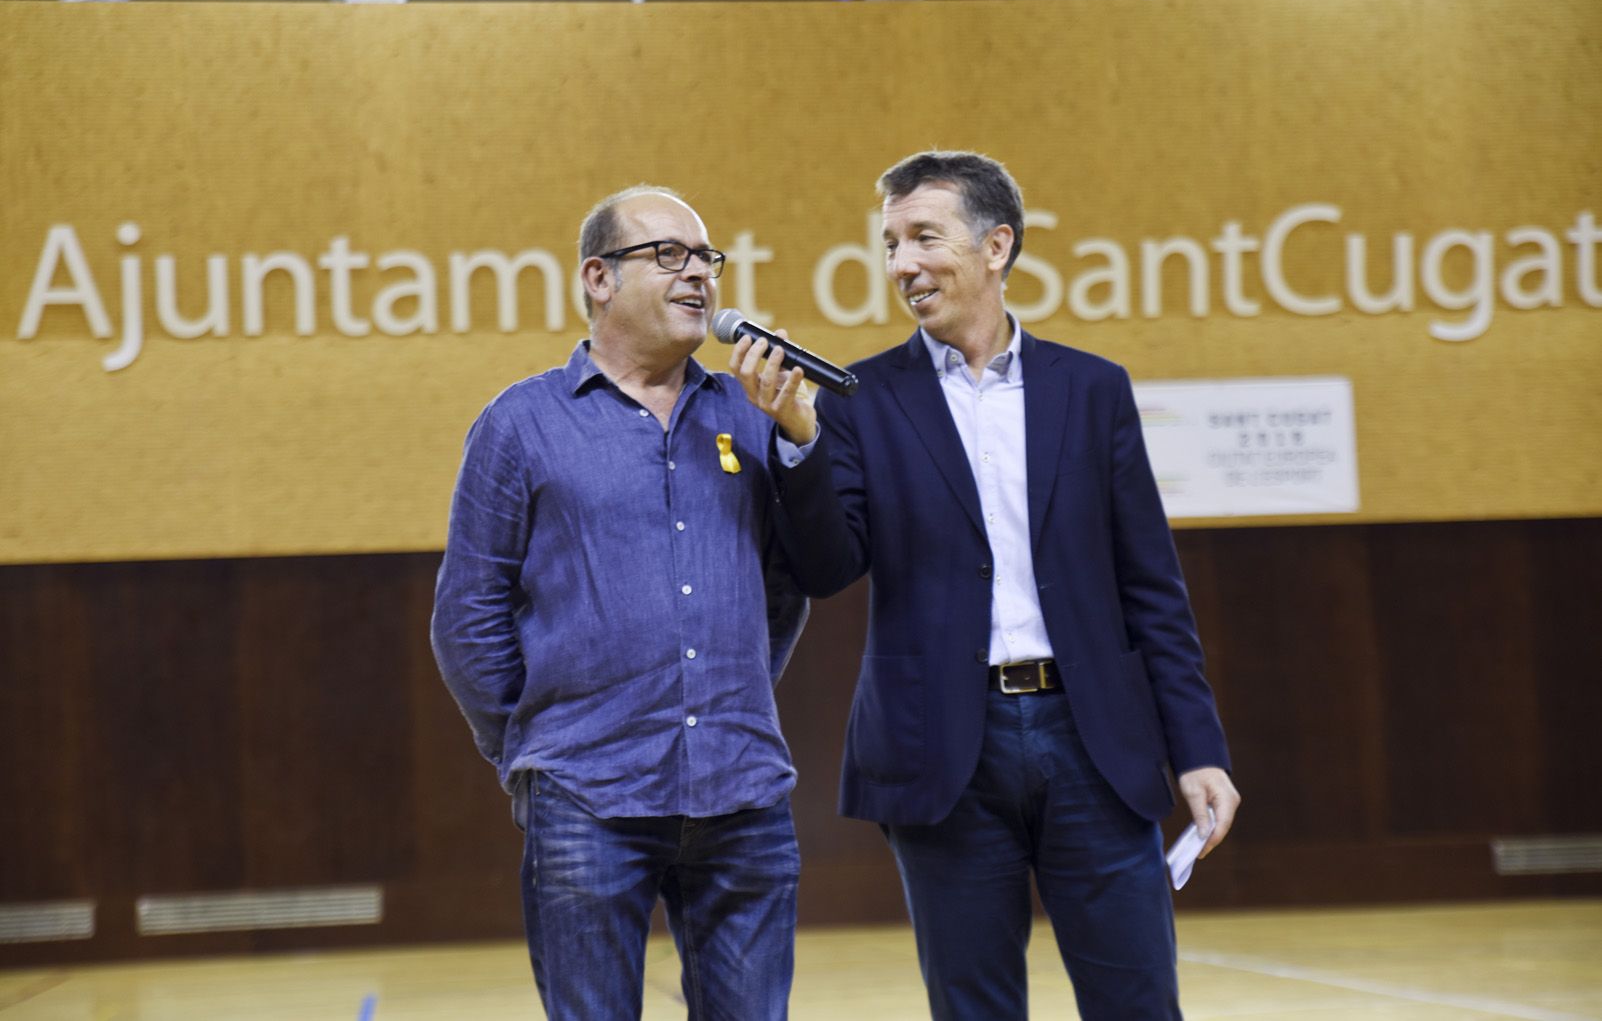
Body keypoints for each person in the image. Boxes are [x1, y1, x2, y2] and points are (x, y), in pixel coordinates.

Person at [731, 151, 1240, 1020]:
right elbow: (826, 567)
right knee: (973, 1008)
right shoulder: (858, 400)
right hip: (942, 752)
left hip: (1095, 743)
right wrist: (799, 439)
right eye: (890, 243)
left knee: (1140, 1001)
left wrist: (1197, 746)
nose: (901, 264)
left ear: (996, 245)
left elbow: (1151, 586)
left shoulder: (1093, 390)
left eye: (923, 237)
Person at [431, 185, 813, 1021]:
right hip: (586, 796)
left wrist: (728, 693)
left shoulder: (747, 418)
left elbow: (785, 588)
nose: (698, 277)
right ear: (598, 278)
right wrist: (536, 745)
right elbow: (468, 619)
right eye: (668, 254)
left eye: (706, 259)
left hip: (741, 793)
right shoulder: (521, 424)